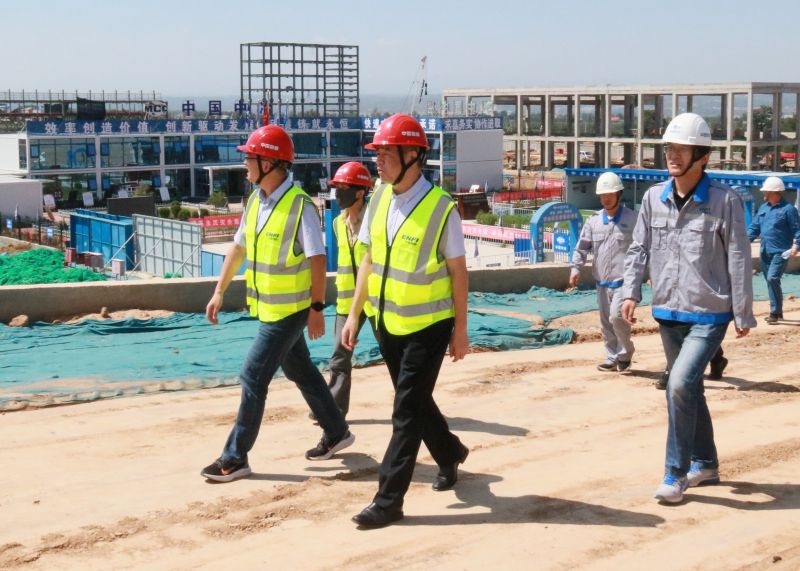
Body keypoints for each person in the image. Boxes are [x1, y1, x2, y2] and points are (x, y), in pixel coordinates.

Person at [201, 125, 354, 483]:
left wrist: (316, 308)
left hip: (291, 310)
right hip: (270, 308)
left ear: (268, 163)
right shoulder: (256, 201)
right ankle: (337, 431)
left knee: (253, 376)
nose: (245, 165)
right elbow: (239, 248)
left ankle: (234, 457)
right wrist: (219, 290)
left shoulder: (300, 206)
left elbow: (318, 258)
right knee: (301, 371)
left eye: (250, 158)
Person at [342, 114, 469, 528]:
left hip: (429, 327)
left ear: (413, 155)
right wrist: (355, 314)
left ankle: (388, 500)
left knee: (405, 412)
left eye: (386, 152)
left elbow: (458, 273)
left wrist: (461, 331)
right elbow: (368, 259)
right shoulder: (379, 197)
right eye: (376, 152)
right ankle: (450, 452)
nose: (377, 160)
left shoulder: (441, 208)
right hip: (387, 321)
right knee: (414, 402)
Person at [621, 113, 756, 504]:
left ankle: (675, 472)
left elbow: (738, 257)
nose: (673, 156)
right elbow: (639, 248)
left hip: (709, 312)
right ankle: (706, 464)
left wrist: (743, 311)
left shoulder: (725, 201)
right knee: (690, 390)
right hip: (668, 310)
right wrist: (630, 292)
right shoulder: (653, 198)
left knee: (678, 384)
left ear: (703, 156)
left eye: (682, 149)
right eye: (670, 148)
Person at [569, 171, 636, 373]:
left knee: (617, 318)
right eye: (603, 195)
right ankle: (611, 358)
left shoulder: (633, 219)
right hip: (602, 282)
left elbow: (643, 248)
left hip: (624, 281)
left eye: (610, 194)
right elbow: (582, 247)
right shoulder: (594, 221)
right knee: (606, 323)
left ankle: (625, 354)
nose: (606, 199)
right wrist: (575, 268)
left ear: (619, 194)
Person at [326, 161, 376, 418]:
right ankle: (333, 412)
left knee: (396, 358)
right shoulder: (337, 223)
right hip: (347, 302)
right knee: (339, 357)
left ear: (360, 192)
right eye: (337, 187)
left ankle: (412, 407)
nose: (338, 193)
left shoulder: (375, 221)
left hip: (375, 301)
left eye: (344, 188)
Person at [748, 176, 800, 324]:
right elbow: (754, 228)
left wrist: (796, 245)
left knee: (772, 278)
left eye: (766, 191)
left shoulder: (788, 210)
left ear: (775, 192)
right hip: (765, 251)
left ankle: (774, 312)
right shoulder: (763, 208)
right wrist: (744, 241)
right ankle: (777, 313)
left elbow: (797, 229)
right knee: (771, 281)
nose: (764, 194)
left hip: (781, 252)